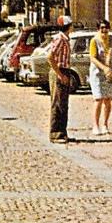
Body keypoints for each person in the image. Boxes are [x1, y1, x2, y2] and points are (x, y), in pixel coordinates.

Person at [46, 15, 74, 144]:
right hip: (60, 71)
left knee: (63, 104)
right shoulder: (60, 39)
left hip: (65, 71)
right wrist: (59, 74)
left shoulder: (65, 39)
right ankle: (55, 134)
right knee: (57, 103)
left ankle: (62, 132)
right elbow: (50, 56)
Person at [88, 20, 112, 135]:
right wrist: (103, 67)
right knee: (98, 98)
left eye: (106, 28)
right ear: (98, 29)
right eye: (102, 28)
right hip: (97, 73)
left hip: (109, 72)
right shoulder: (94, 41)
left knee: (108, 99)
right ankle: (95, 125)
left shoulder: (111, 40)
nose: (104, 30)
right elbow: (92, 58)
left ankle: (105, 124)